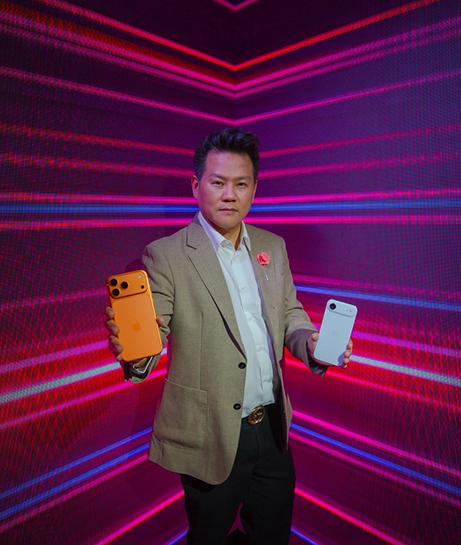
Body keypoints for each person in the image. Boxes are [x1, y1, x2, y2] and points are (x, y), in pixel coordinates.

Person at [105, 127, 353, 544]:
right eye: (218, 182)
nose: (229, 195)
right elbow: (153, 331)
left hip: (273, 428)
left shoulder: (273, 246)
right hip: (211, 434)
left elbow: (290, 314)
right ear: (196, 186)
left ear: (254, 189)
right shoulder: (166, 255)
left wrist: (310, 343)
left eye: (241, 184)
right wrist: (135, 351)